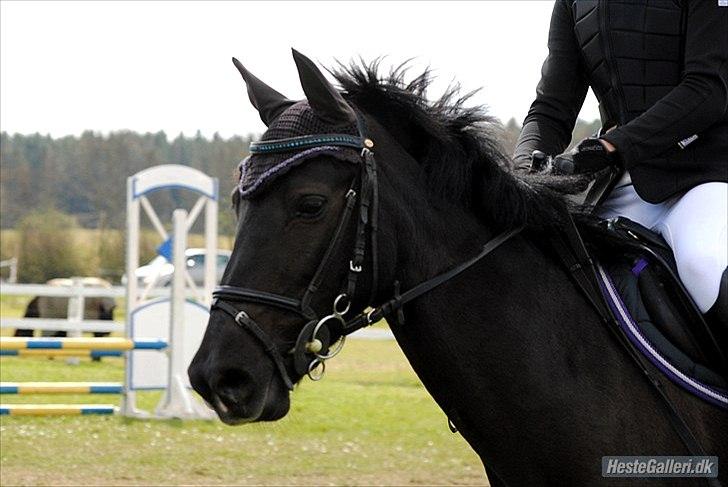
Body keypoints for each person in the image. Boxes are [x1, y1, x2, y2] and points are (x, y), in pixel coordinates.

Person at [513, 1, 727, 346]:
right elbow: (552, 107)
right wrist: (523, 169)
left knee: (702, 263)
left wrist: (613, 146)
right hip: (625, 179)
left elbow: (707, 90)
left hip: (709, 172)